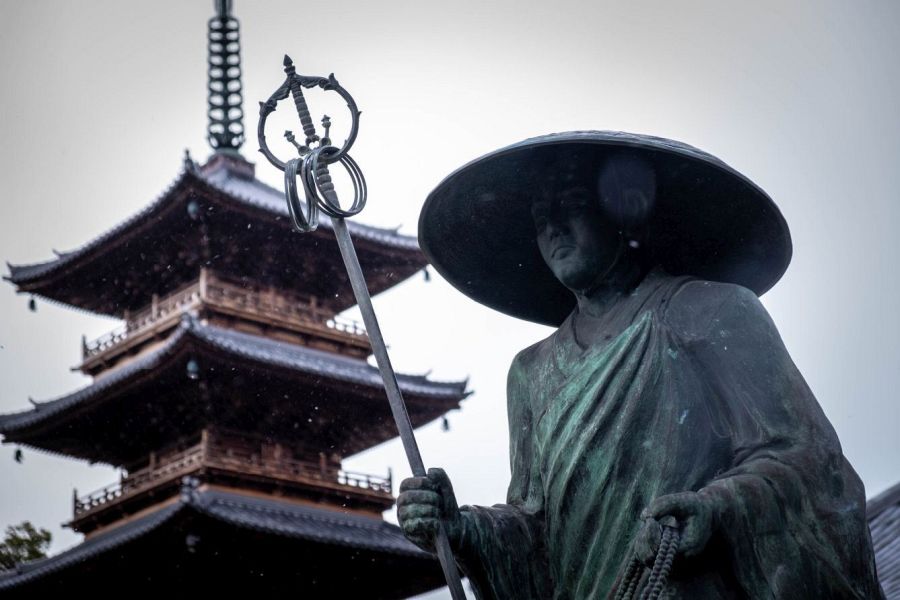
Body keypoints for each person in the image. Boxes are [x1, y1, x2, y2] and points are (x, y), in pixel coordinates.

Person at [400, 132, 885, 599]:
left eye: (572, 205)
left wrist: (717, 507)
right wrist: (462, 529)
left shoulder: (713, 312)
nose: (554, 229)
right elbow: (537, 530)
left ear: (625, 214)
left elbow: (807, 459)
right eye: (541, 217)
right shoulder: (530, 373)